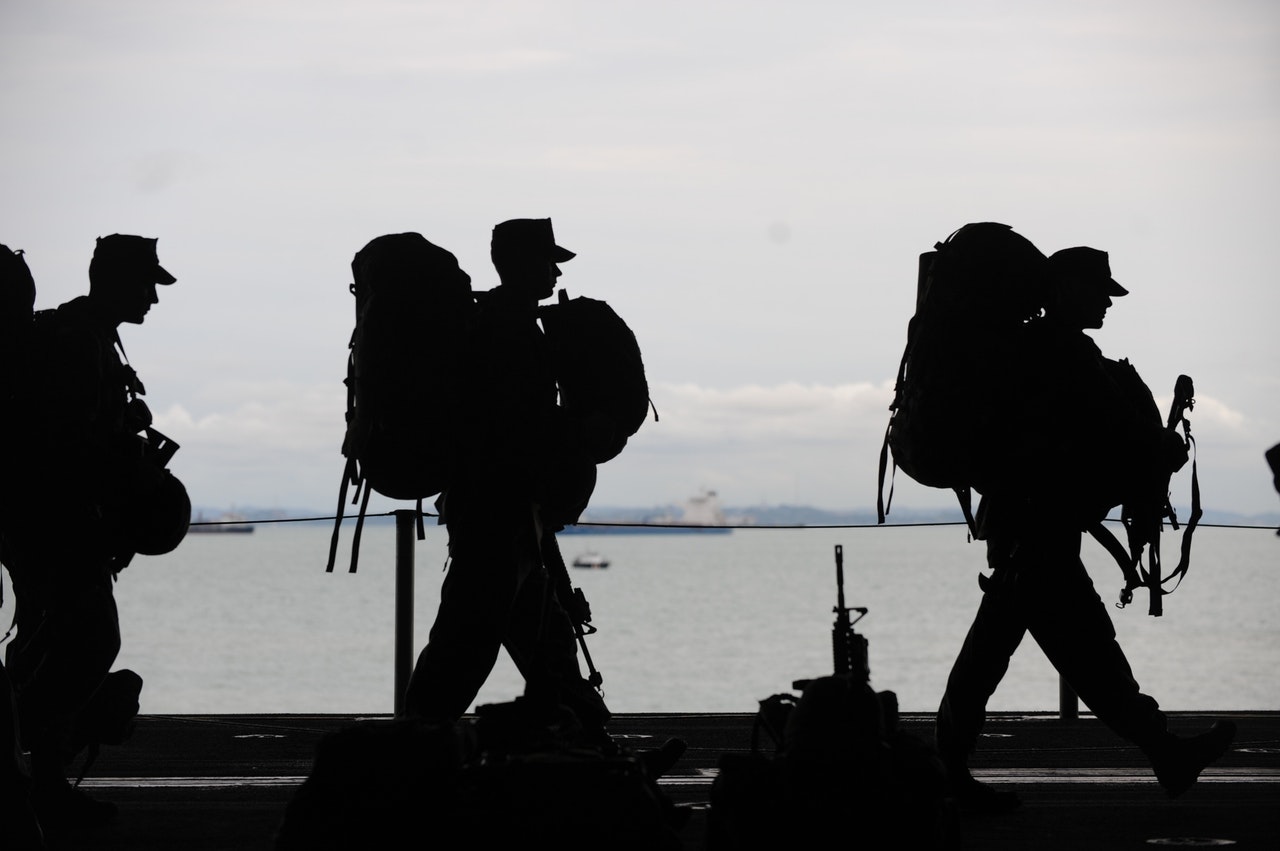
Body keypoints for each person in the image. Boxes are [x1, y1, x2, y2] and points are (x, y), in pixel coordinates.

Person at [934, 244, 1237, 813]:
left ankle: (947, 770)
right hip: (1038, 530)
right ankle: (1164, 751)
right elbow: (1118, 430)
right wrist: (1167, 445)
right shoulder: (1062, 352)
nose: (1107, 302)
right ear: (1066, 290)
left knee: (1006, 655)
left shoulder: (1037, 350)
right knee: (1087, 655)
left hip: (1027, 526)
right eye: (1099, 291)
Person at [402, 218, 613, 743]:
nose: (554, 271)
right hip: (497, 514)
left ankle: (600, 752)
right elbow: (514, 427)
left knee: (549, 647)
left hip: (511, 516)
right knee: (465, 646)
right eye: (548, 260)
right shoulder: (505, 331)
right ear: (521, 264)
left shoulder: (507, 324)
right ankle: (410, 754)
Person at [1, 234, 176, 829]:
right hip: (58, 523)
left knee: (47, 644)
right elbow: (70, 445)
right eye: (146, 282)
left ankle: (32, 778)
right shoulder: (80, 343)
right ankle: (43, 782)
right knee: (90, 641)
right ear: (114, 280)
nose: (154, 296)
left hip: (47, 523)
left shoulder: (90, 337)